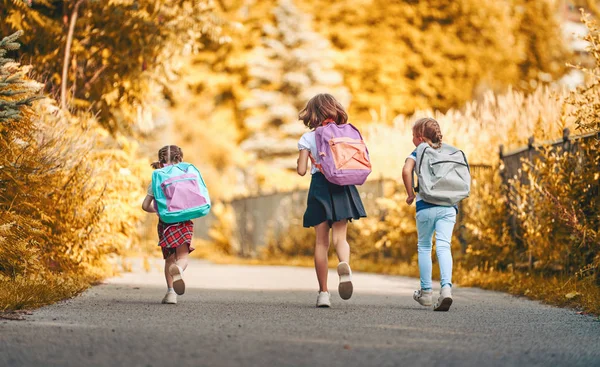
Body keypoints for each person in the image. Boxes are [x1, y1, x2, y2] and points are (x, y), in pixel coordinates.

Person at [296, 93, 367, 308]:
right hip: (342, 186)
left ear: (312, 114)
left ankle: (323, 293)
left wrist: (305, 157)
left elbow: (301, 171)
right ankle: (344, 265)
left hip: (320, 188)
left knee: (321, 242)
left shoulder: (308, 138)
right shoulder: (347, 133)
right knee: (340, 238)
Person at [402, 117, 456, 311]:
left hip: (426, 205)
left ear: (420, 137)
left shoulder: (418, 151)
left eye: (413, 136)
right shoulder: (448, 150)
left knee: (424, 246)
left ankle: (425, 293)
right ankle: (446, 289)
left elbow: (406, 170)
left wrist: (410, 194)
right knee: (444, 246)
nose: (412, 140)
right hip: (449, 207)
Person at [142, 145, 194, 305]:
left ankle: (171, 293)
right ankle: (179, 269)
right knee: (182, 256)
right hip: (184, 222)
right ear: (180, 159)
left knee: (169, 259)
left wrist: (157, 211)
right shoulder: (187, 175)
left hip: (166, 224)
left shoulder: (156, 179)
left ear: (160, 160)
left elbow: (145, 206)